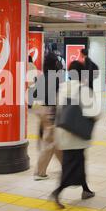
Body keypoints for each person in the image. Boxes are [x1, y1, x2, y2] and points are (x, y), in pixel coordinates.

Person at [51, 61, 100, 209]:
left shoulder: (62, 88)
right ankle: (58, 191)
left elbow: (58, 109)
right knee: (72, 165)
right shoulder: (84, 90)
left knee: (77, 161)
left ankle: (85, 190)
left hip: (63, 133)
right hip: (77, 135)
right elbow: (95, 113)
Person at [33, 52, 64, 181]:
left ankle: (67, 168)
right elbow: (54, 98)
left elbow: (34, 94)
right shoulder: (54, 77)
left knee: (54, 141)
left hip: (40, 109)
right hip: (49, 110)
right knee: (50, 142)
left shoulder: (43, 76)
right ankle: (39, 173)